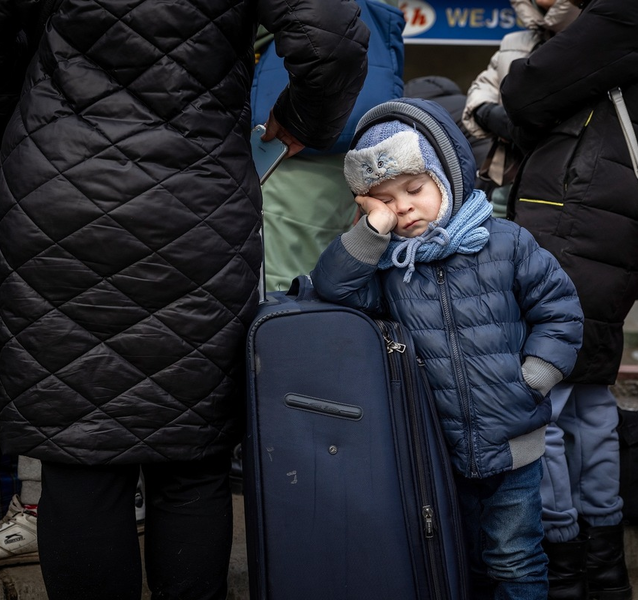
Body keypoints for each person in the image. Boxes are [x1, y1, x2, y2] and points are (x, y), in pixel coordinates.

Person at [0, 0, 368, 598]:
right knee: (191, 455)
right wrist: (304, 120)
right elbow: (330, 35)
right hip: (197, 198)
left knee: (79, 445)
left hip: (58, 188)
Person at [311, 97, 584, 600]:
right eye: (384, 199)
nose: (403, 207)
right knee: (459, 560)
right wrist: (371, 231)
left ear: (447, 176)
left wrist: (533, 378)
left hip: (512, 442)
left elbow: (560, 310)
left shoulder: (505, 242)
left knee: (516, 557)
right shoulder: (386, 267)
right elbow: (332, 288)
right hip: (436, 449)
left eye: (414, 189)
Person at [499, 0, 638, 598]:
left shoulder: (630, 8)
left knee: (538, 404)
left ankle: (561, 564)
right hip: (608, 235)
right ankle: (603, 566)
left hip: (572, 229)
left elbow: (525, 91)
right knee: (589, 402)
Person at [252, 0, 404, 291]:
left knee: (284, 283)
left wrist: (299, 117)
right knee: (326, 275)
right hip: (347, 138)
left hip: (291, 144)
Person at [461, 0, 578, 217]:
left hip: (569, 184)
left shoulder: (592, 38)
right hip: (509, 181)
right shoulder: (513, 42)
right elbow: (481, 89)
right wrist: (491, 115)